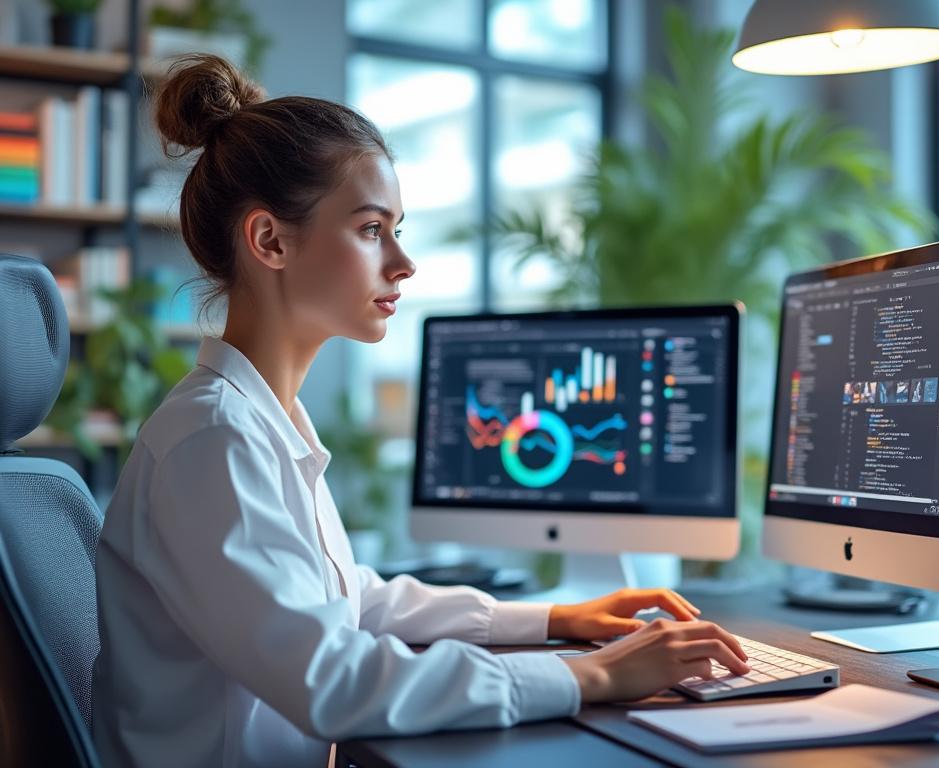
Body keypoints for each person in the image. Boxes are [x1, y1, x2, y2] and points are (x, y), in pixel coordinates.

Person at [91, 54, 750, 768]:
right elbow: (330, 679)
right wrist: (589, 674)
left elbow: (350, 602)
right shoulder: (211, 440)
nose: (403, 262)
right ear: (270, 240)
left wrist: (556, 619)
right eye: (372, 229)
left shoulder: (257, 421)